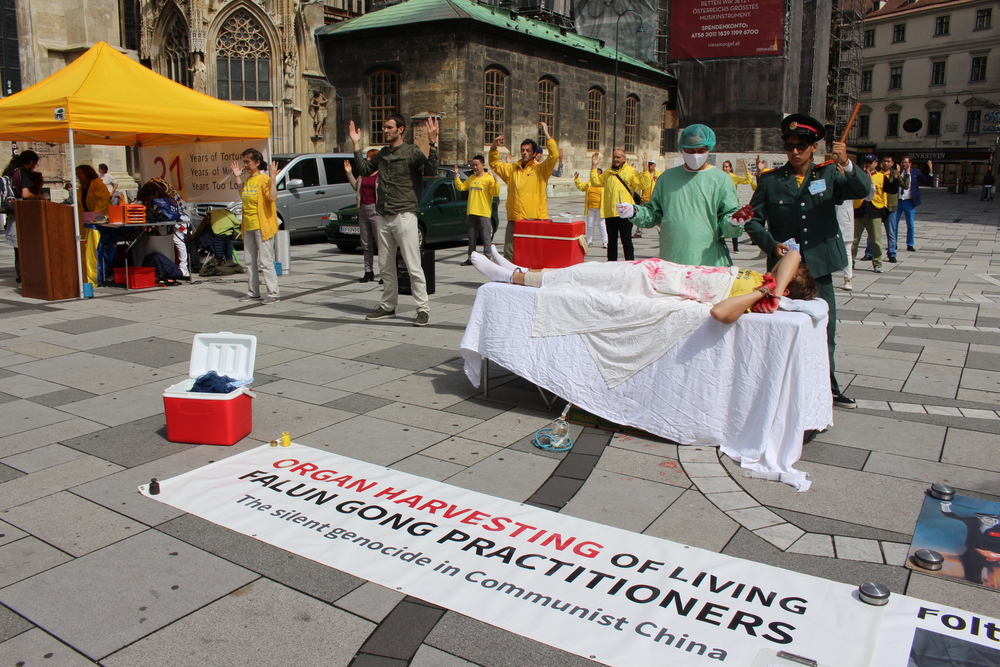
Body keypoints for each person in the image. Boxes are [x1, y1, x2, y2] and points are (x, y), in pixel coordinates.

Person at [743, 113, 871, 409]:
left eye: (801, 145)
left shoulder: (829, 174)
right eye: (789, 146)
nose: (795, 151)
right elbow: (752, 220)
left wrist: (846, 162)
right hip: (784, 272)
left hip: (819, 266)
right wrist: (771, 245)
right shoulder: (771, 181)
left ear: (814, 147)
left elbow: (861, 190)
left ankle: (828, 387)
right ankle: (779, 387)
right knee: (781, 327)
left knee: (824, 327)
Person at [469, 243, 817, 324]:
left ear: (785, 290)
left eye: (788, 280)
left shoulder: (761, 296)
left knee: (580, 277)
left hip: (648, 284)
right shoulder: (772, 280)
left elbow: (721, 313)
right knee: (585, 270)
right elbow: (794, 254)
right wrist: (775, 283)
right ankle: (521, 271)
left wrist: (766, 292)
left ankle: (511, 277)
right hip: (655, 270)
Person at [350, 113, 439, 326]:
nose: (385, 130)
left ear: (400, 129)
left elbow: (431, 171)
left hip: (404, 215)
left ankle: (422, 309)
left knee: (413, 265)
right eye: (384, 127)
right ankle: (388, 306)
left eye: (389, 127)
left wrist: (433, 142)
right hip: (384, 215)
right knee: (385, 265)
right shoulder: (382, 154)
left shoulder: (411, 151)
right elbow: (364, 170)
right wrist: (356, 144)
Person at [616, 124, 741, 267]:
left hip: (708, 259)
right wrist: (635, 211)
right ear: (682, 149)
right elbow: (654, 213)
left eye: (701, 151)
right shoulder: (667, 178)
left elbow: (728, 218)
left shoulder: (721, 179)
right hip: (672, 257)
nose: (695, 155)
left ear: (709, 149)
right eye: (690, 150)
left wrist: (734, 222)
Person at [489, 121, 558, 261]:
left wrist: (547, 135)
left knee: (531, 253)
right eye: (523, 150)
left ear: (534, 153)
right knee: (509, 252)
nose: (525, 153)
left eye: (528, 150)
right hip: (514, 218)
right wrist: (494, 147)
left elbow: (554, 156)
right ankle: (510, 274)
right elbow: (494, 164)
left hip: (533, 219)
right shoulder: (512, 170)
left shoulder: (540, 170)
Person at [229, 148, 280, 304]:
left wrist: (273, 179)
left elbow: (273, 198)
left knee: (265, 261)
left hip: (262, 226)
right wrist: (237, 177)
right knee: (250, 261)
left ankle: (273, 293)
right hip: (248, 226)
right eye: (244, 162)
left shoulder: (264, 179)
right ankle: (253, 292)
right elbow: (243, 195)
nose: (245, 165)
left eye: (248, 162)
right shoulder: (249, 179)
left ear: (257, 162)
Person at [590, 149, 642, 261]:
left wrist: (645, 170)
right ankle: (611, 264)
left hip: (625, 213)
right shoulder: (608, 173)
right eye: (614, 157)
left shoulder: (631, 171)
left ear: (624, 158)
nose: (615, 159)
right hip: (611, 212)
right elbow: (595, 182)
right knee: (612, 242)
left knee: (626, 240)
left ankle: (629, 263)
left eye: (618, 157)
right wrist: (594, 166)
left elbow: (642, 184)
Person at [939, 500, 1000, 587]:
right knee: (970, 563)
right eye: (989, 519)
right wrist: (945, 506)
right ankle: (975, 582)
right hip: (974, 553)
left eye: (996, 519)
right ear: (979, 517)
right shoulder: (973, 522)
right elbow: (954, 516)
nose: (993, 521)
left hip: (995, 555)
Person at [2, 150, 41, 283]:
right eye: (35, 164)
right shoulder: (22, 172)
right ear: (30, 162)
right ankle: (27, 278)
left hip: (13, 214)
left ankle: (21, 278)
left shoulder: (11, 172)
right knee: (26, 248)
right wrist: (38, 198)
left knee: (18, 249)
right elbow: (25, 194)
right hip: (23, 215)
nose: (34, 167)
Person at [454, 156, 499, 265]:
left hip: (483, 211)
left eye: (477, 165)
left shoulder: (488, 179)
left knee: (486, 237)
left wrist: (496, 181)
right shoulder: (472, 178)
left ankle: (487, 258)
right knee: (471, 237)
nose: (475, 167)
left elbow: (495, 193)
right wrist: (456, 175)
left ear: (483, 165)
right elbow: (461, 187)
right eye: (473, 165)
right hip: (471, 211)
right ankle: (471, 258)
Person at [345, 150, 380, 282]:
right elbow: (356, 186)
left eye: (369, 158)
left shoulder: (381, 175)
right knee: (365, 243)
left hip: (376, 209)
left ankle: (385, 272)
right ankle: (368, 271)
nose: (367, 160)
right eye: (366, 158)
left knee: (381, 243)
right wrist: (349, 173)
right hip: (363, 208)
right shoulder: (363, 174)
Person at [76, 165, 112, 287]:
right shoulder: (82, 188)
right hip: (87, 222)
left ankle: (95, 278)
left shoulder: (98, 185)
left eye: (80, 173)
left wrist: (94, 217)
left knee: (94, 252)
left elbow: (101, 203)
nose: (77, 176)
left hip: (98, 222)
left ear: (87, 173)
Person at [852, 154, 885, 274]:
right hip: (859, 209)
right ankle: (851, 261)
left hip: (874, 210)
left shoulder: (881, 176)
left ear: (876, 164)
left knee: (876, 240)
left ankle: (877, 263)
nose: (867, 165)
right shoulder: (858, 175)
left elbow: (888, 191)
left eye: (870, 163)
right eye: (866, 162)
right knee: (854, 239)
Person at [721, 158, 760, 253]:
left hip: (732, 203)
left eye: (726, 167)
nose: (725, 168)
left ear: (730, 168)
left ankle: (735, 247)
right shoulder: (720, 177)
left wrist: (746, 168)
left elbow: (747, 181)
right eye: (724, 167)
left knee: (734, 221)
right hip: (721, 202)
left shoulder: (733, 177)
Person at [897, 155, 932, 252]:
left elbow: (927, 181)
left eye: (906, 162)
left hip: (909, 201)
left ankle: (910, 244)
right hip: (898, 201)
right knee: (894, 224)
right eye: (903, 162)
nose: (904, 164)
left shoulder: (915, 172)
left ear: (910, 163)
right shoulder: (898, 172)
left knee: (910, 224)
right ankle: (893, 244)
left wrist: (930, 170)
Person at [573, 169, 607, 248]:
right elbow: (581, 187)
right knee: (590, 225)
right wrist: (577, 179)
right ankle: (589, 241)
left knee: (601, 225)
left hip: (600, 208)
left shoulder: (603, 184)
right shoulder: (589, 183)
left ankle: (605, 241)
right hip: (590, 208)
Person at [634, 156, 662, 239]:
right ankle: (638, 232)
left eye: (652, 164)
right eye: (649, 164)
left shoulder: (659, 174)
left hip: (654, 199)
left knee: (657, 216)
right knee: (640, 215)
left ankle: (661, 232)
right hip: (644, 198)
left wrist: (657, 180)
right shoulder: (644, 173)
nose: (650, 166)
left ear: (655, 165)